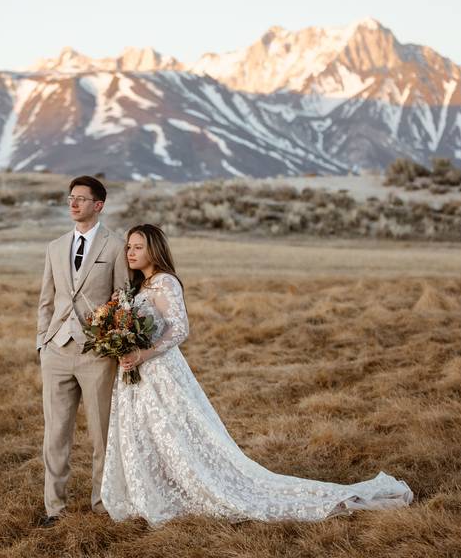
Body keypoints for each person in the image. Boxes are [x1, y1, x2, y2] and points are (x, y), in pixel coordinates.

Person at [101, 224, 413, 527]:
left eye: (138, 246)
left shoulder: (165, 282)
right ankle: (154, 490)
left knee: (176, 433)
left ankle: (201, 486)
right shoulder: (138, 286)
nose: (130, 252)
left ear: (154, 249)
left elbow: (180, 328)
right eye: (129, 246)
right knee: (147, 433)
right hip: (137, 373)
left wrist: (145, 353)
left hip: (161, 370)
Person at [36, 175, 129, 527]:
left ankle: (102, 505)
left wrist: (114, 343)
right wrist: (42, 341)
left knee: (101, 435)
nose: (73, 203)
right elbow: (46, 299)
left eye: (81, 198)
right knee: (55, 432)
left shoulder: (116, 246)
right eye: (70, 198)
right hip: (56, 351)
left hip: (97, 353)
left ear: (98, 205)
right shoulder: (55, 247)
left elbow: (122, 300)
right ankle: (53, 508)